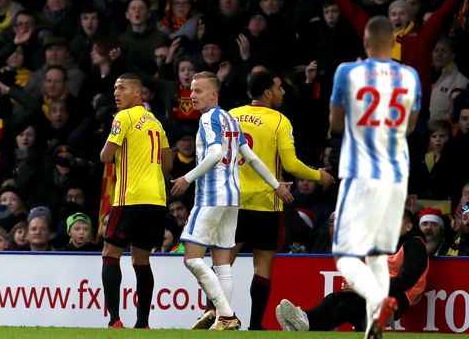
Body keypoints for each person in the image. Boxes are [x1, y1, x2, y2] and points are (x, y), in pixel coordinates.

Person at [170, 72, 292, 330]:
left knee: (191, 258)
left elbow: (215, 154)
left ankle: (226, 315)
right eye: (191, 91)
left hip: (211, 197)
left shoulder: (208, 119)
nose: (192, 96)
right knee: (222, 264)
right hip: (232, 199)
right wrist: (276, 185)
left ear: (214, 94)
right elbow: (253, 158)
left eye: (198, 91)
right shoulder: (229, 118)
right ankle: (220, 318)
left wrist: (187, 178)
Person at [329, 16, 421, 339]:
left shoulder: (348, 72)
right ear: (394, 41)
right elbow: (410, 127)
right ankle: (373, 327)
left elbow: (336, 123)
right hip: (396, 176)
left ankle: (379, 300)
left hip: (360, 173)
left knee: (344, 256)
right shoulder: (410, 77)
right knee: (378, 254)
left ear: (366, 42)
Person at [224, 70, 335, 331]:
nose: (283, 91)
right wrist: (319, 175)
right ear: (267, 93)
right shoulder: (279, 121)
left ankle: (215, 317)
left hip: (233, 202)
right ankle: (255, 325)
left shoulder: (231, 116)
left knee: (223, 263)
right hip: (266, 203)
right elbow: (291, 164)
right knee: (262, 266)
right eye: (279, 86)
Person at [99, 72, 173, 329]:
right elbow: (168, 164)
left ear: (137, 93)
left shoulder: (123, 117)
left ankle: (114, 320)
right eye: (115, 89)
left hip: (130, 196)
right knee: (141, 260)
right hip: (156, 199)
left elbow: (105, 156)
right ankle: (143, 323)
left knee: (111, 253)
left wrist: (117, 147)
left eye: (121, 88)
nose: (116, 93)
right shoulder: (156, 122)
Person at [276, 209, 429, 332]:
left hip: (398, 297)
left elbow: (405, 281)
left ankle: (306, 330)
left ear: (408, 226)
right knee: (335, 297)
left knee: (348, 306)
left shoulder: (415, 245)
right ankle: (304, 318)